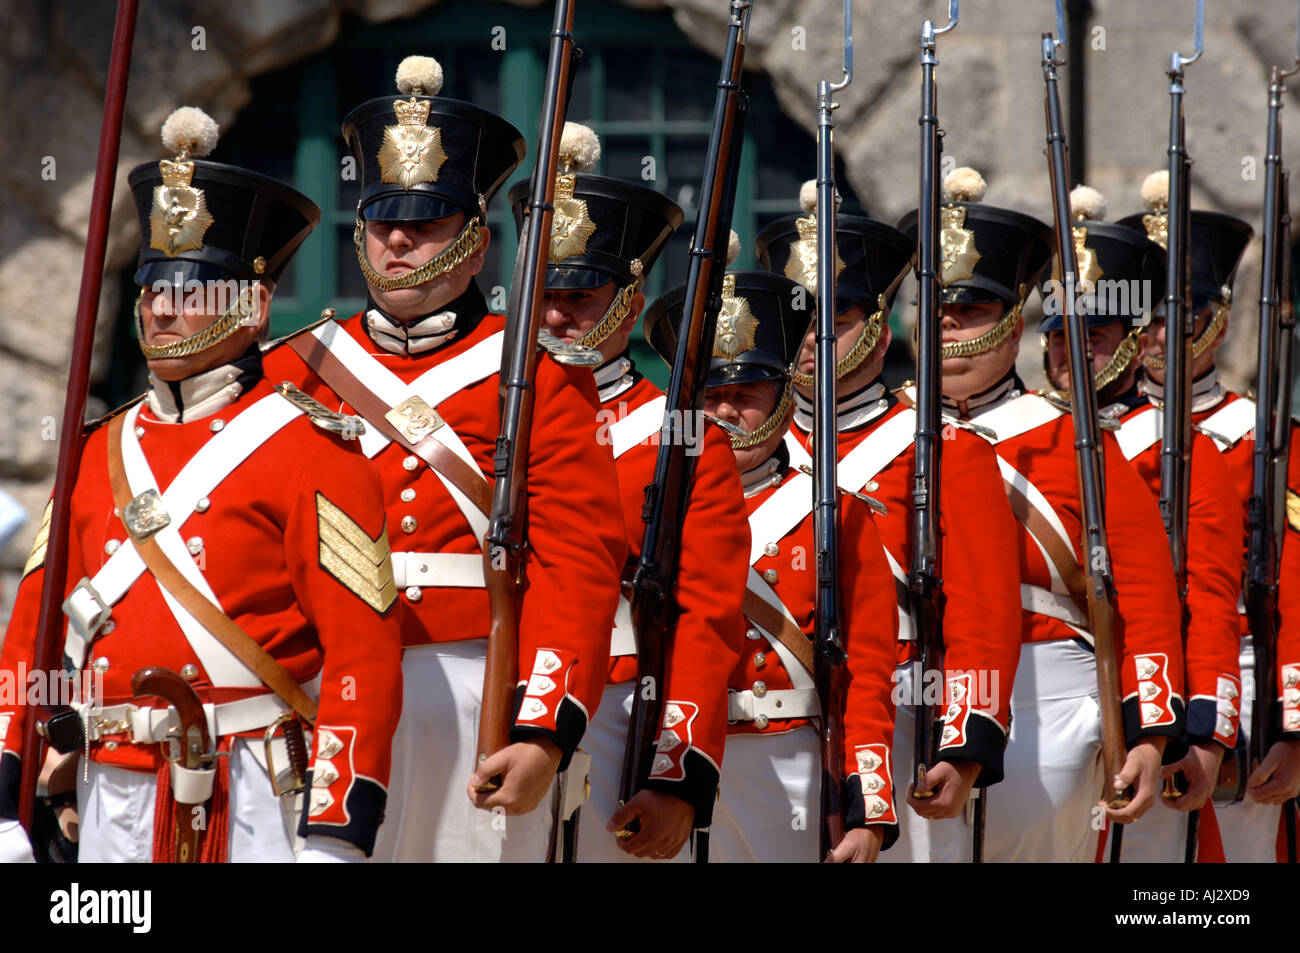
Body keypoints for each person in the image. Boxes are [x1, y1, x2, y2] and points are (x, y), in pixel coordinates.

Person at [0, 107, 404, 863]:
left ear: (252, 305)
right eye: (152, 288)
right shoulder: (96, 450)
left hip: (253, 790)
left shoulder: (315, 448)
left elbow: (364, 655)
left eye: (192, 292)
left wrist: (337, 831)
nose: (161, 309)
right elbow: (31, 640)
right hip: (110, 790)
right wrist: (5, 790)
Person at [262, 57, 627, 862]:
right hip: (322, 689)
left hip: (472, 689)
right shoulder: (295, 367)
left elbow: (578, 563)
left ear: (474, 242)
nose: (398, 239)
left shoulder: (537, 374)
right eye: (383, 219)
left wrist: (544, 729)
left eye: (426, 222)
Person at [758, 181, 1023, 863]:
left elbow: (983, 616)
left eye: (837, 319)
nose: (813, 337)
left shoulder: (947, 450)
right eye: (800, 318)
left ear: (879, 330)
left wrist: (962, 748)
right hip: (771, 718)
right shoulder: (747, 454)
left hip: (908, 711)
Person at [510, 123, 749, 862]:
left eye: (580, 297)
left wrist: (677, 776)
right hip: (476, 690)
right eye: (545, 295)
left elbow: (705, 618)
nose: (557, 316)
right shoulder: (485, 407)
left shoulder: (682, 436)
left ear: (630, 299)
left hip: (613, 706)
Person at [934, 167, 1185, 862]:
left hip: (1047, 695)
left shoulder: (1073, 441)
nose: (949, 324)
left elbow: (1146, 596)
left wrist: (1149, 732)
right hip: (908, 691)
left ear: (1011, 325)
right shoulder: (888, 441)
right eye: (940, 308)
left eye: (972, 310)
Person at [643, 241, 901, 862]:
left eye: (749, 391)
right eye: (710, 393)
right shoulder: (647, 504)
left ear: (786, 395)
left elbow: (867, 670)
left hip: (785, 763)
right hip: (660, 759)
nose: (726, 411)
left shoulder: (835, 512)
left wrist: (869, 805)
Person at [1040, 185, 1242, 862]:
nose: (1070, 351)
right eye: (1059, 335)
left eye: (1092, 336)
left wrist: (1205, 733)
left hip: (1154, 707)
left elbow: (1209, 601)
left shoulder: (1180, 449)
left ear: (1133, 341)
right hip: (1044, 711)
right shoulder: (1024, 440)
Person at [1120, 174, 1300, 861]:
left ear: (1217, 317)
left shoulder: (1266, 436)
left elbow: (1294, 582)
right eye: (1147, 317)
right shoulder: (1100, 436)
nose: (1161, 334)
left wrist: (1294, 728)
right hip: (1133, 677)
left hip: (1247, 671)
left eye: (1180, 314)